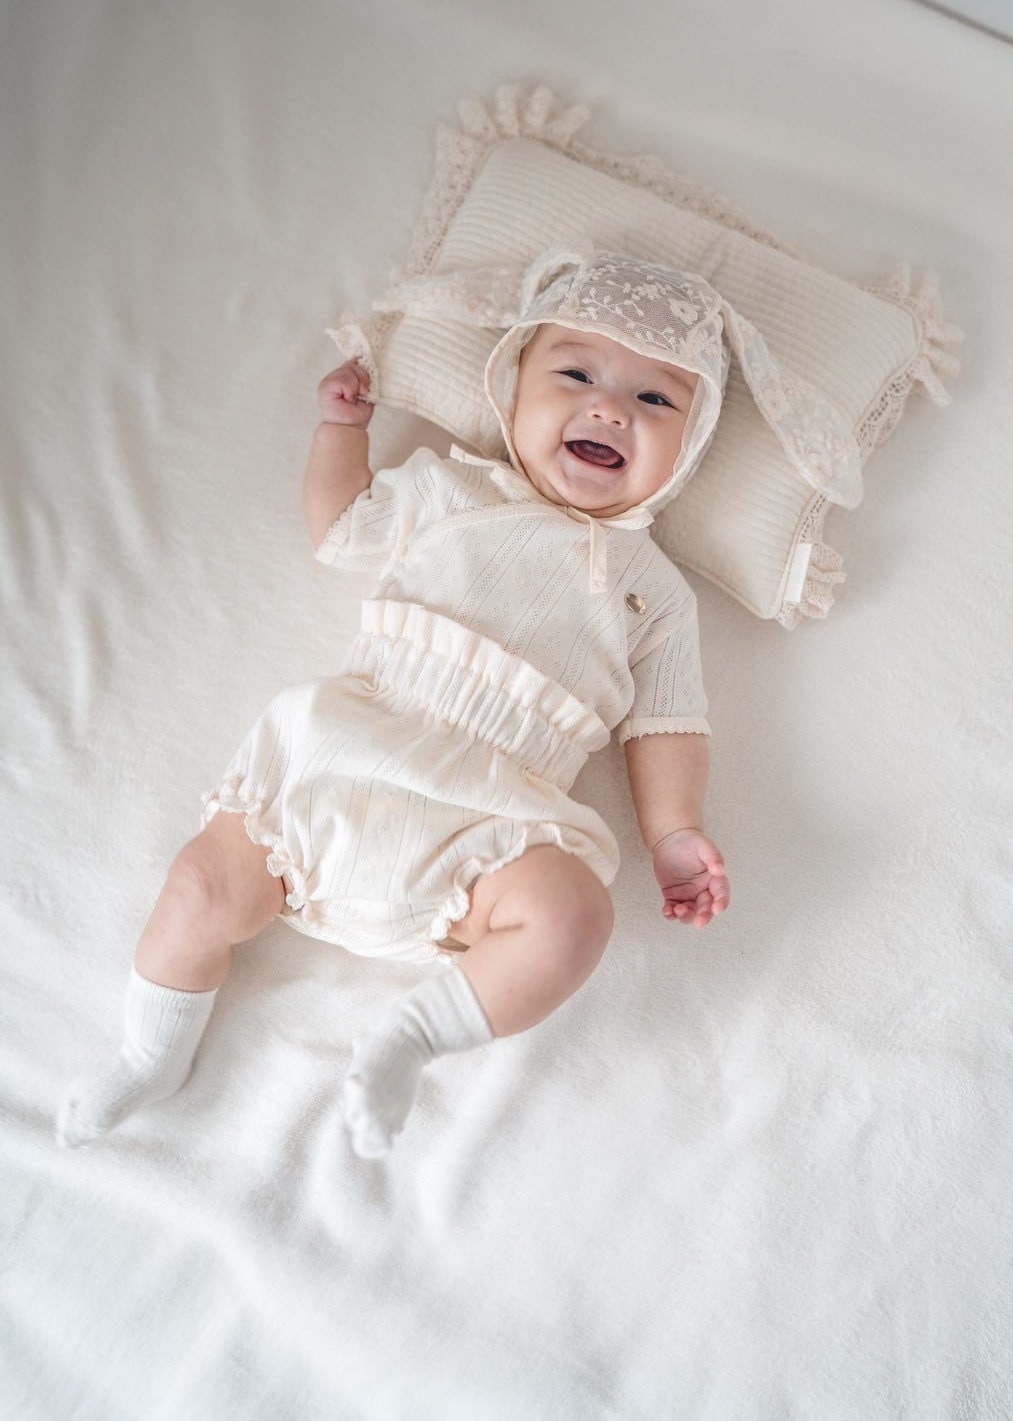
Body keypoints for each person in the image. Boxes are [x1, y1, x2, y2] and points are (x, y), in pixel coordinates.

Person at [57, 249, 737, 1160]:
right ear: (511, 386)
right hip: (345, 758)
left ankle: (411, 1038)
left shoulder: (656, 593)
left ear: (690, 446)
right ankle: (149, 1051)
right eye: (575, 374)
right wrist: (340, 432)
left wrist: (675, 832)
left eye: (655, 399)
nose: (611, 408)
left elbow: (665, 724)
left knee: (576, 916)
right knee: (200, 884)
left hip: (491, 818)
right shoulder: (449, 489)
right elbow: (341, 527)